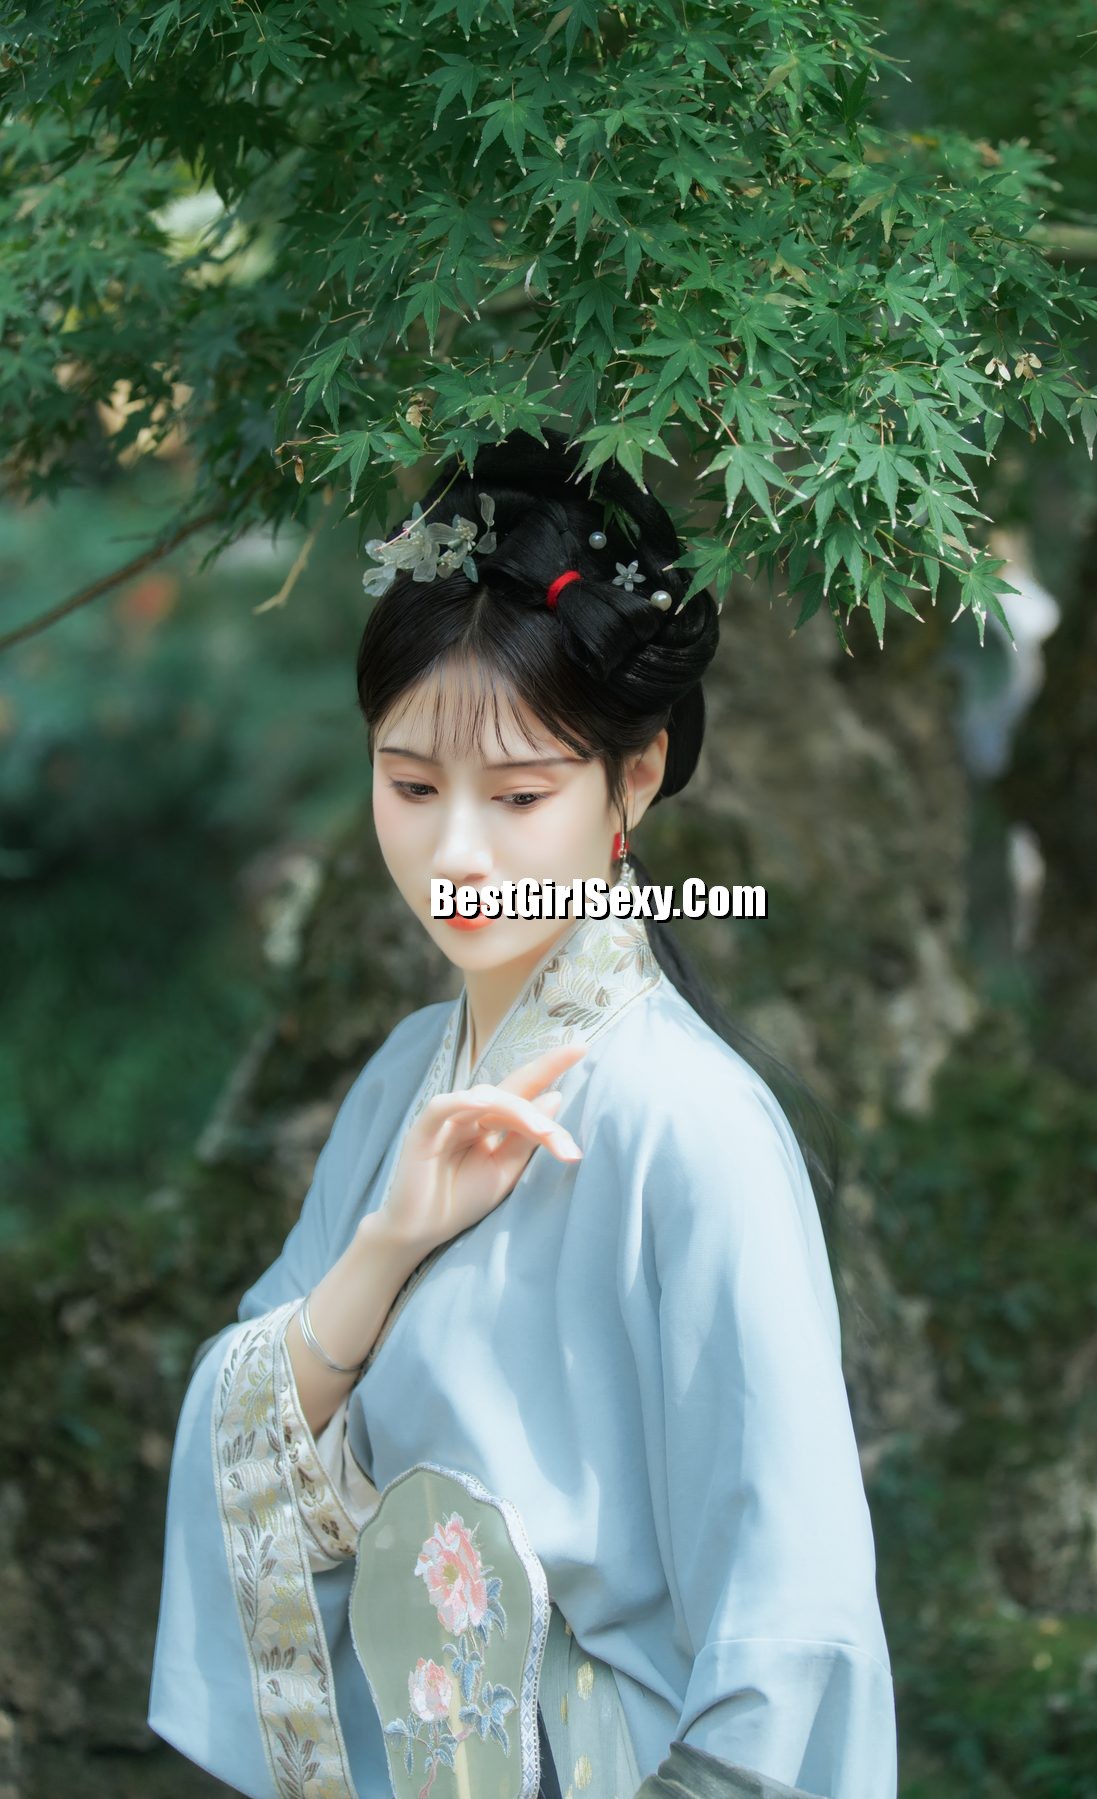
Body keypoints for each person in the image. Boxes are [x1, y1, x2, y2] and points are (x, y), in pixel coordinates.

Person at [148, 429, 898, 1799]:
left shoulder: (694, 1127)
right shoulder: (404, 1079)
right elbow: (239, 1445)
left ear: (635, 778)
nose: (458, 853)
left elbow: (791, 1613)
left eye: (519, 795)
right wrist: (385, 1246)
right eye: (411, 786)